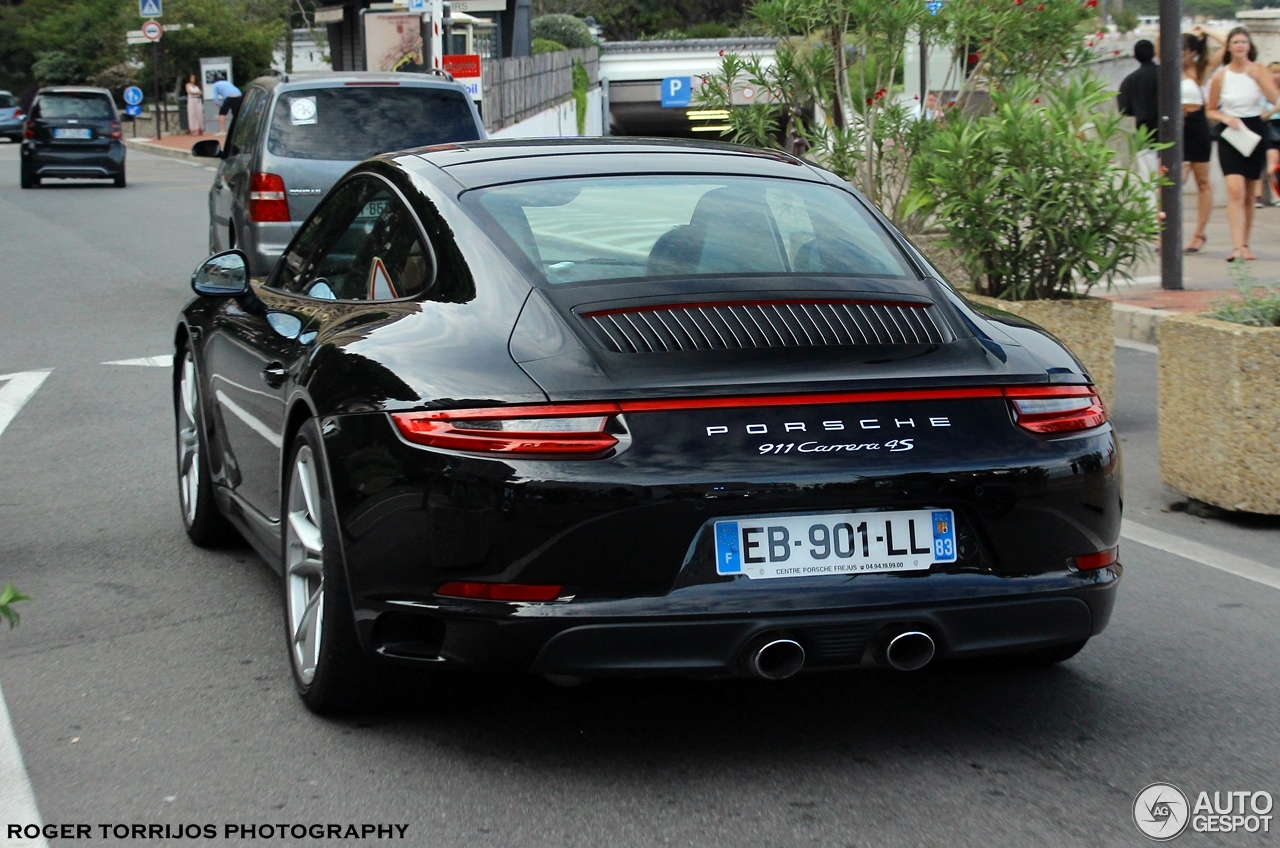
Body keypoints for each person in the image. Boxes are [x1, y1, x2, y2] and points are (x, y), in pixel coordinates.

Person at [1206, 27, 1280, 261]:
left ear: (1249, 46)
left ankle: (1246, 244)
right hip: (1231, 131)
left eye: (1243, 42)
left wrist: (1259, 79)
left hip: (1254, 129)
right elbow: (1210, 110)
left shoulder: (1259, 70)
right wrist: (1225, 118)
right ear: (1228, 47)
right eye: (1235, 42)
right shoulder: (1221, 76)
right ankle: (1236, 246)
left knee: (1249, 193)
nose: (1240, 46)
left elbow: (1274, 99)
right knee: (1235, 190)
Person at [1182, 33, 1214, 253]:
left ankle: (1199, 233)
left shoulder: (1200, 70)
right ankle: (1163, 233)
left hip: (1197, 124)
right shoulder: (1167, 70)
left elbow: (1225, 51)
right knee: (1169, 181)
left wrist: (1205, 31)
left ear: (1192, 52)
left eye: (1183, 49)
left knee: (1202, 181)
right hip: (1175, 124)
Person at [1119, 39, 1160, 179]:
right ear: (1154, 53)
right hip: (1166, 132)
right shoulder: (1166, 76)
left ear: (1134, 55)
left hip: (1144, 134)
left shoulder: (1129, 80)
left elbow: (1124, 110)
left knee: (1147, 176)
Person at [1262, 62, 1280, 204]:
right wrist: (1276, 109)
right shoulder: (1264, 94)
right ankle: (1275, 196)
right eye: (1273, 73)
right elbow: (1262, 116)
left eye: (1279, 72)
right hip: (1272, 128)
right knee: (1272, 163)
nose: (1277, 76)